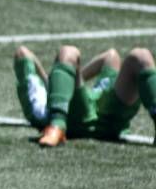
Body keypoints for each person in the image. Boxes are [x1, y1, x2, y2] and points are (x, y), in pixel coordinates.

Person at [13, 44, 156, 146]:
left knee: (141, 56)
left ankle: (57, 123)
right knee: (68, 51)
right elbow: (22, 53)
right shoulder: (41, 108)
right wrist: (58, 81)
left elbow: (110, 56)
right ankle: (57, 125)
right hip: (72, 118)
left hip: (107, 115)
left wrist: (66, 79)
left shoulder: (101, 90)